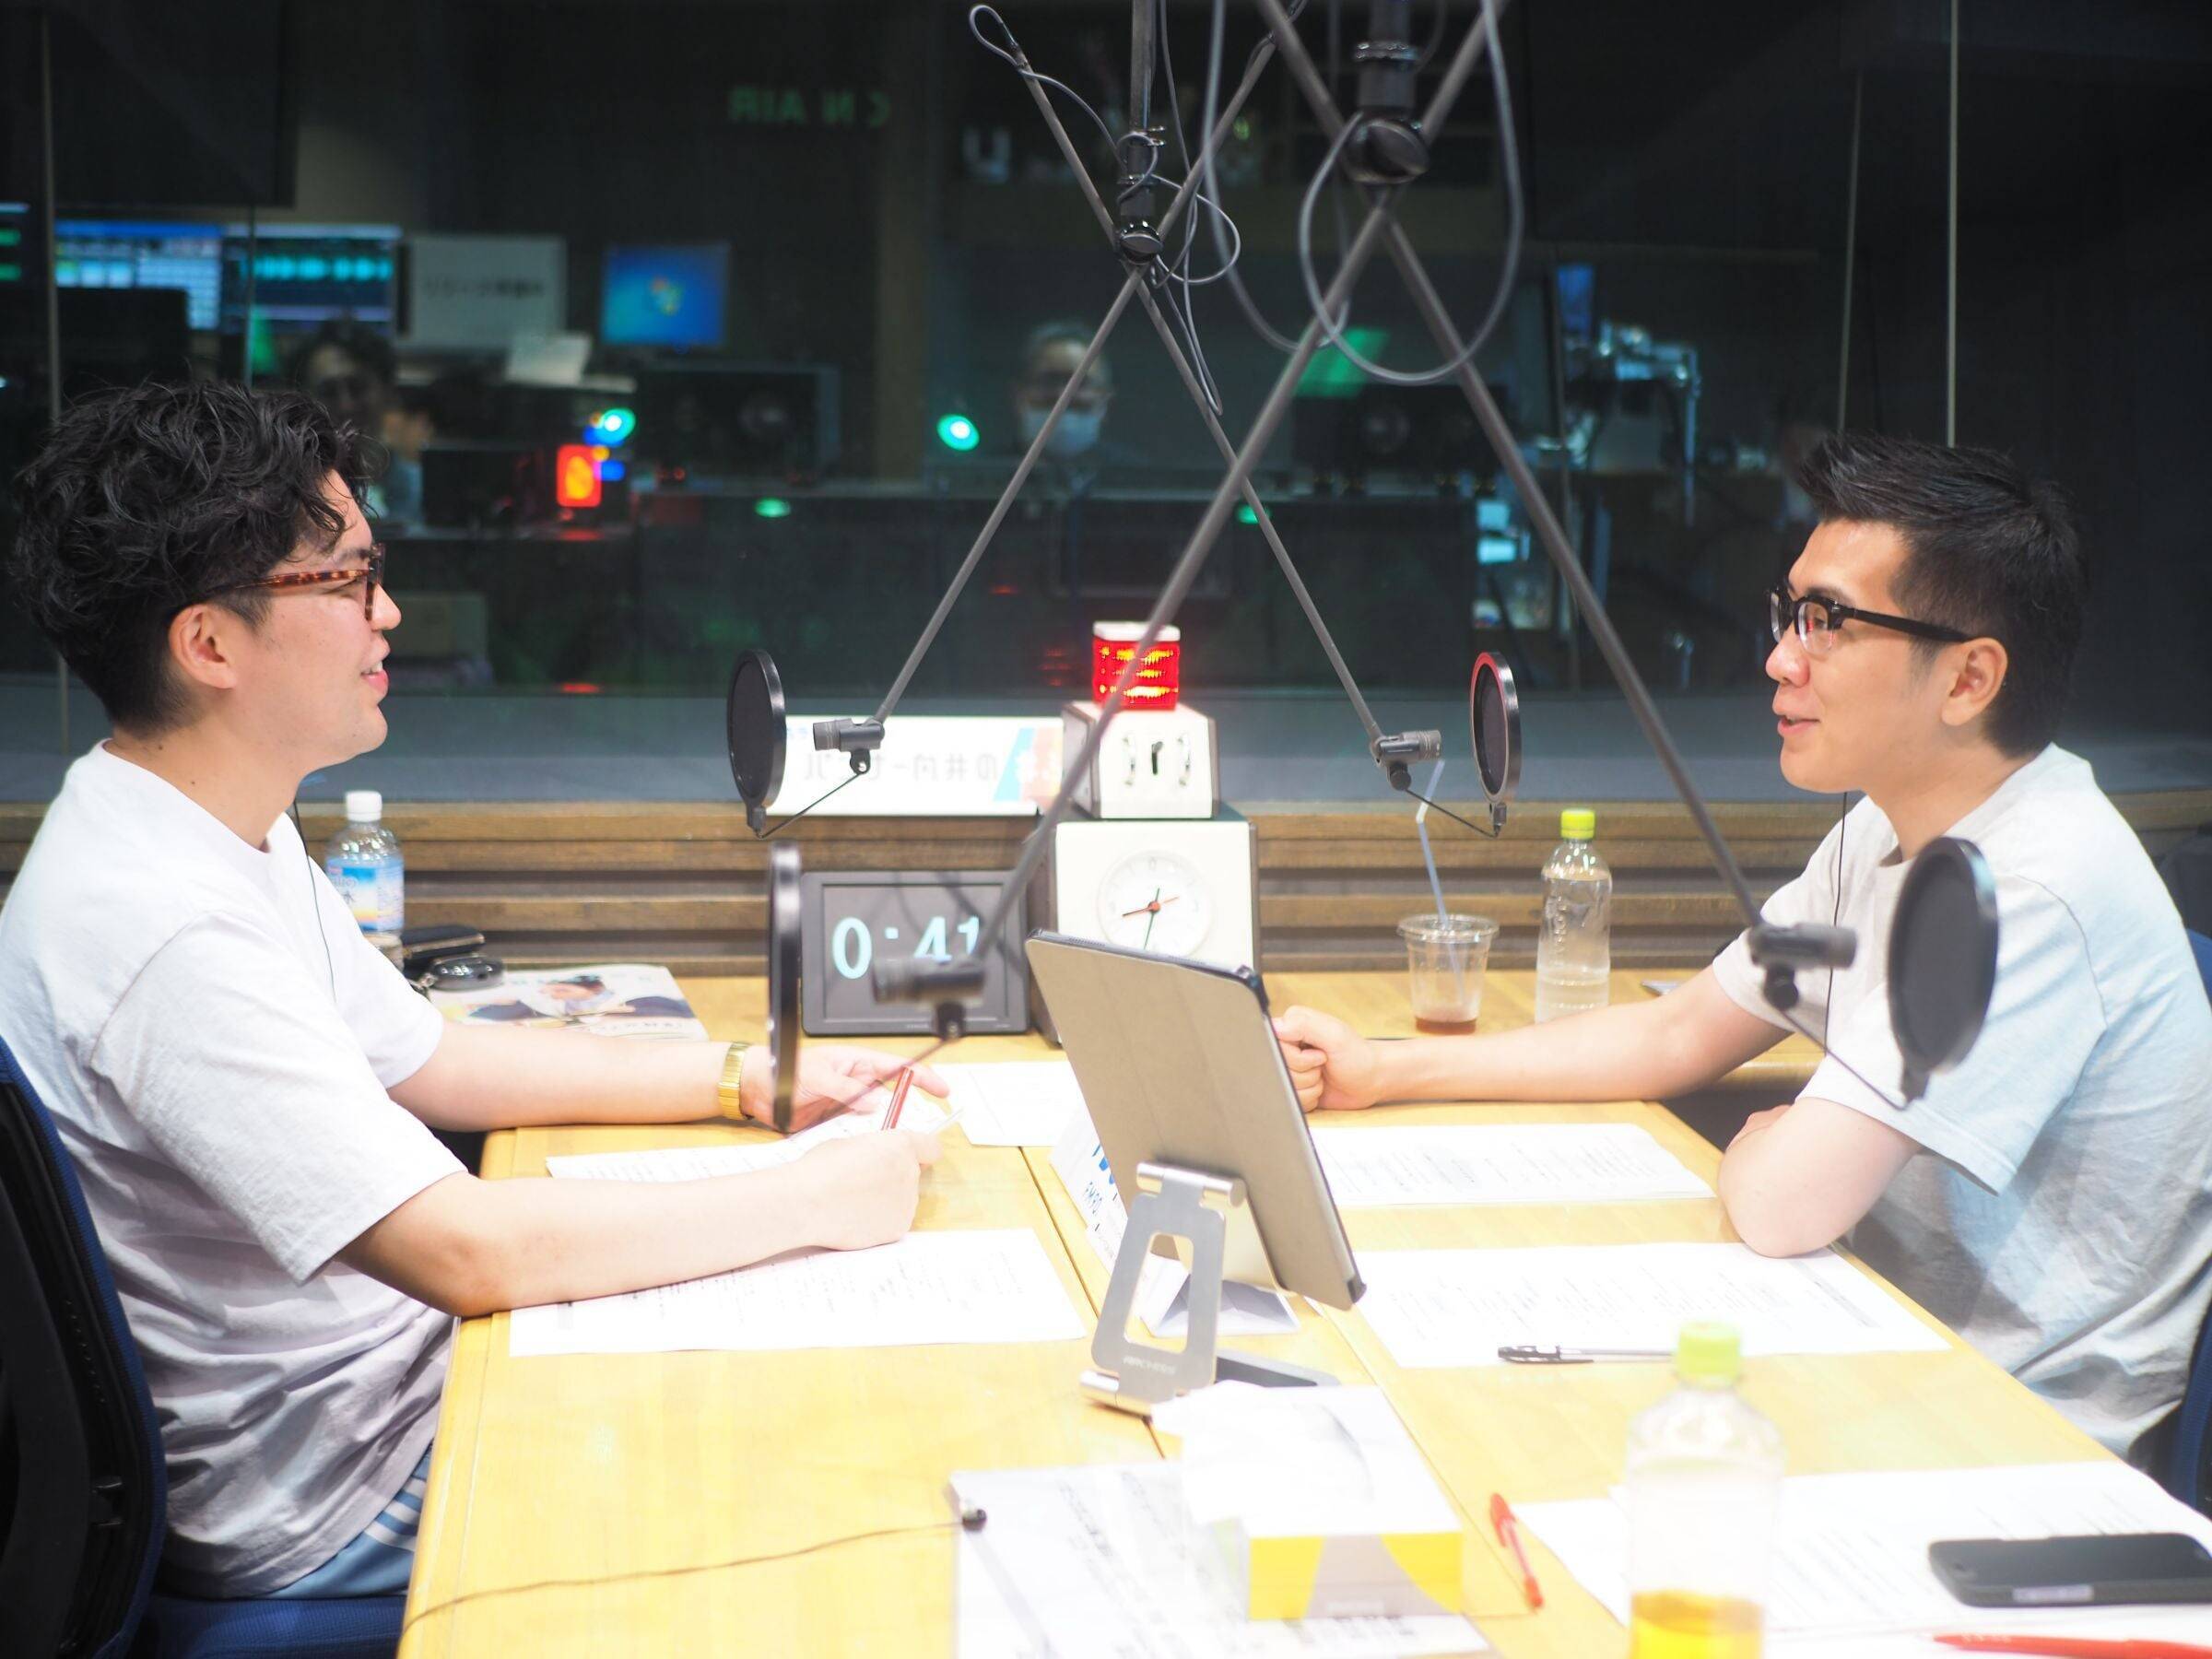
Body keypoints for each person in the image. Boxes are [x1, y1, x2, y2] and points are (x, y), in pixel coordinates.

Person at [0, 382, 945, 1599]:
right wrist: (819, 1197)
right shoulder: (159, 922)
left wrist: (745, 1080)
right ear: (210, 645)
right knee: (837, 1456)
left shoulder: (203, 819)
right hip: (337, 1484)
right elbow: (465, 1254)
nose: (388, 613)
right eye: (347, 581)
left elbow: (433, 1060)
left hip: (392, 1382)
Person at [1275, 432, 2212, 1462]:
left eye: (1829, 623)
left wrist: (1776, 1149)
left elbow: (1780, 1204)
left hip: (2018, 1437)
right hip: (1872, 1336)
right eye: (1790, 612)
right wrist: (1382, 1070)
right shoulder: (1889, 822)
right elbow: (1679, 1031)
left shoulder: (2027, 890)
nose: (1780, 659)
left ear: (1968, 680)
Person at [287, 319, 422, 524]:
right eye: (328, 392)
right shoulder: (290, 497)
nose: (346, 406)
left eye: (357, 388)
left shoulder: (425, 490)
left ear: (387, 392)